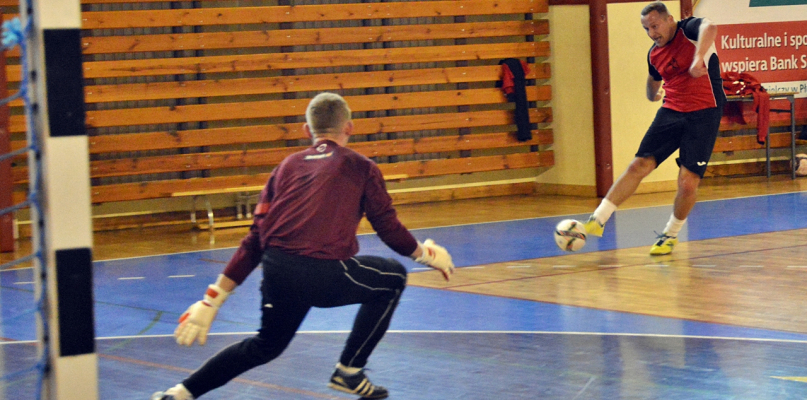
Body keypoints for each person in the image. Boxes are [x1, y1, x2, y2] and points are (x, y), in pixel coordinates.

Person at [151, 92, 455, 400]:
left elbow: (254, 240)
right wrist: (426, 255)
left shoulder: (285, 168)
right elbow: (388, 228)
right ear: (349, 127)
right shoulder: (361, 167)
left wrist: (212, 300)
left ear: (306, 130)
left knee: (265, 345)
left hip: (277, 271)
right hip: (324, 273)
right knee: (393, 279)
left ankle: (180, 394)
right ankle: (349, 371)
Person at [583, 2, 725, 255]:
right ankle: (597, 219)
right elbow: (653, 79)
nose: (652, 33)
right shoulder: (654, 53)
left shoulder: (689, 30)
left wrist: (698, 58)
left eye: (655, 26)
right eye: (646, 29)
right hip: (672, 111)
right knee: (639, 165)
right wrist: (651, 95)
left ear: (670, 19)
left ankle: (670, 234)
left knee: (687, 182)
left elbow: (711, 27)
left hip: (704, 112)